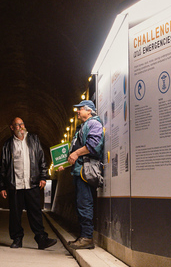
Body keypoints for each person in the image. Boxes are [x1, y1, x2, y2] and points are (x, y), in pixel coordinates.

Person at [0, 117, 57, 250]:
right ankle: (17, 239)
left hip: (31, 183)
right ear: (11, 127)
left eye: (22, 124)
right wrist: (2, 186)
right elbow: (3, 166)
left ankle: (41, 239)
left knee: (35, 212)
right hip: (15, 184)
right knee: (15, 214)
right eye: (17, 125)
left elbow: (41, 159)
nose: (20, 127)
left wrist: (43, 177)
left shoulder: (33, 139)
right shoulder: (7, 145)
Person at [60, 100, 104, 250]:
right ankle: (83, 236)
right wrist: (65, 163)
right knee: (81, 203)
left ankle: (87, 237)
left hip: (86, 171)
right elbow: (75, 150)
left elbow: (93, 145)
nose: (77, 112)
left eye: (80, 109)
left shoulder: (94, 124)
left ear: (89, 111)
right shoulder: (82, 127)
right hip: (79, 170)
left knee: (85, 203)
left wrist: (76, 154)